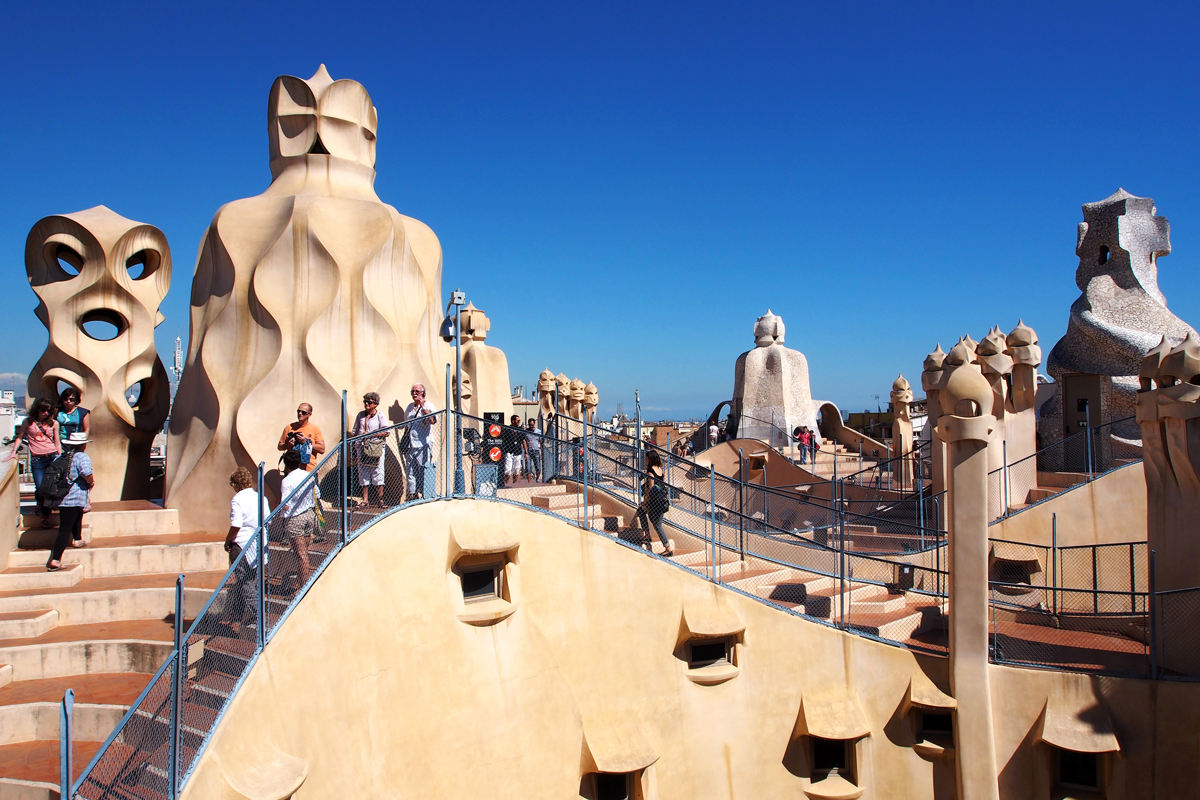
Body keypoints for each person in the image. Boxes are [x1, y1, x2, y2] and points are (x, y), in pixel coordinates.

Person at [224, 466, 271, 626]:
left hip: (241, 544)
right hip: (258, 544)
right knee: (248, 578)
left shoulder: (237, 499)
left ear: (236, 484)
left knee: (245, 582)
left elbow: (236, 524)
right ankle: (238, 614)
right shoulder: (261, 498)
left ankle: (258, 614)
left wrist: (227, 540)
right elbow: (268, 520)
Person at [4, 398, 61, 527]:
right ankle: (41, 505)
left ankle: (45, 512)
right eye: (43, 410)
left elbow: (57, 442)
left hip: (52, 457)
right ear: (37, 409)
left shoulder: (54, 424)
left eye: (48, 410)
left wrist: (60, 457)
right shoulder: (28, 422)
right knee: (40, 487)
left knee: (51, 486)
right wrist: (13, 452)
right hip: (37, 459)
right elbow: (20, 437)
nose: (46, 413)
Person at [46, 432, 93, 570]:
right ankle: (55, 559)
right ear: (83, 445)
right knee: (64, 529)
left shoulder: (63, 457)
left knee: (77, 516)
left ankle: (77, 539)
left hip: (63, 496)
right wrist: (92, 482)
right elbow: (86, 473)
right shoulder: (82, 457)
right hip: (74, 496)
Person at [279, 449, 317, 584]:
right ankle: (302, 581)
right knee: (304, 553)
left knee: (301, 556)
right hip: (309, 516)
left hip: (295, 519)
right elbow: (316, 493)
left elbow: (285, 503)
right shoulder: (308, 475)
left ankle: (303, 587)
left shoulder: (287, 481)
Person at [353, 392, 386, 507]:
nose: (366, 404)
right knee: (363, 473)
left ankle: (381, 500)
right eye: (365, 401)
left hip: (375, 447)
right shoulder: (360, 415)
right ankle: (365, 500)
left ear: (376, 404)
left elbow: (386, 432)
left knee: (378, 472)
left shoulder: (380, 416)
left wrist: (371, 434)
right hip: (361, 447)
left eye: (369, 402)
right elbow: (355, 431)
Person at [404, 384, 437, 500]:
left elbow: (433, 420)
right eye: (412, 391)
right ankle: (413, 495)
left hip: (424, 444)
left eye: (417, 391)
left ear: (423, 393)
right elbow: (406, 425)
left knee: (423, 470)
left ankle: (425, 494)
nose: (414, 393)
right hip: (411, 445)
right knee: (411, 472)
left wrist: (423, 407)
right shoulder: (409, 408)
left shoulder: (429, 405)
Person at [635, 451, 672, 556]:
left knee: (654, 523)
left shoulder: (651, 471)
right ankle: (649, 536)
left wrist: (645, 501)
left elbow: (650, 487)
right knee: (655, 522)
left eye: (646, 458)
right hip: (661, 499)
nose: (645, 460)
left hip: (654, 501)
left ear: (650, 459)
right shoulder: (660, 469)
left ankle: (667, 548)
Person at [278, 403, 326, 472]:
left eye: (303, 412)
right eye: (298, 411)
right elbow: (280, 446)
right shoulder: (289, 427)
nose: (300, 413)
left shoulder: (315, 429)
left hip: (308, 471)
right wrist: (288, 445)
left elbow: (322, 449)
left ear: (309, 414)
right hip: (291, 470)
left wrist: (305, 442)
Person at [502, 414, 525, 485]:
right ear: (513, 421)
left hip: (518, 452)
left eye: (519, 421)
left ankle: (514, 483)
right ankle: (506, 482)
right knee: (508, 469)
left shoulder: (520, 430)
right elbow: (503, 440)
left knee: (517, 469)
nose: (519, 422)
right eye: (518, 420)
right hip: (509, 451)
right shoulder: (507, 429)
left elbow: (523, 441)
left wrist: (526, 452)